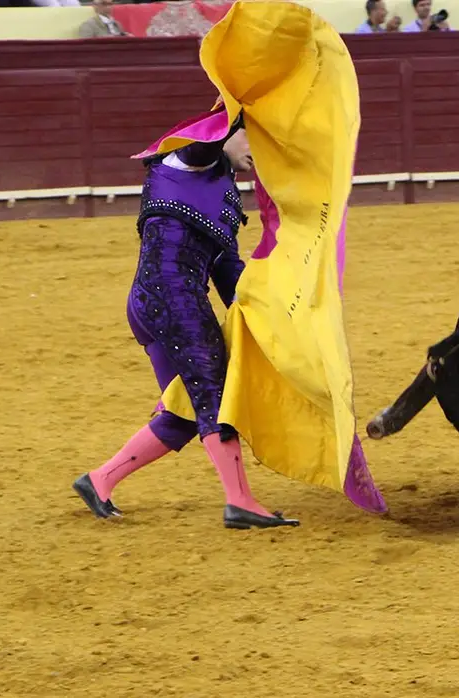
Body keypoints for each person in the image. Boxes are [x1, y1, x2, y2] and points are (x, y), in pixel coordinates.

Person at [71, 107, 300, 530]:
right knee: (214, 390)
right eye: (254, 140)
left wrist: (259, 313)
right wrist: (230, 121)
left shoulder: (222, 187)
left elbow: (226, 268)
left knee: (186, 410)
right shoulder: (190, 157)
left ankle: (99, 479)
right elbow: (201, 141)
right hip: (173, 298)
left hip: (156, 301)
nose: (258, 154)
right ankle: (240, 501)